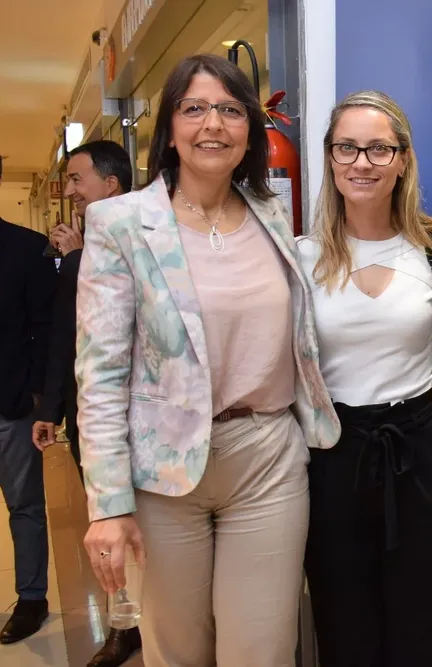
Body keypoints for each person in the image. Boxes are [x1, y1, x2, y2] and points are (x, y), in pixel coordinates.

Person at [75, 53, 340, 667]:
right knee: (179, 651)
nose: (212, 125)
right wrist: (107, 505)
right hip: (164, 473)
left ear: (250, 128)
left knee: (264, 649)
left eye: (228, 110)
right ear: (170, 127)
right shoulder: (120, 223)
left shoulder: (272, 215)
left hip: (267, 459)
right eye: (194, 109)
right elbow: (101, 374)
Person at [298, 90, 432, 667]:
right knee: (342, 616)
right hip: (332, 455)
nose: (362, 162)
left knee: (424, 617)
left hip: (422, 453)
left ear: (402, 159)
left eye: (379, 149)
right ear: (330, 158)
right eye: (347, 147)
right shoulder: (301, 258)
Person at [31, 140, 140, 667]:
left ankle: (138, 621)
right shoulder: (81, 248)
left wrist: (76, 259)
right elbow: (64, 336)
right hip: (91, 413)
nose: (69, 192)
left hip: (140, 415)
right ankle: (125, 620)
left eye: (77, 180)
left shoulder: (137, 239)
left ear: (111, 184)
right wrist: (51, 408)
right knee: (108, 520)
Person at [0, 156, 58, 644]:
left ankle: (32, 599)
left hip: (11, 405)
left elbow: (44, 330)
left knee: (25, 506)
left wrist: (41, 402)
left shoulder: (26, 249)